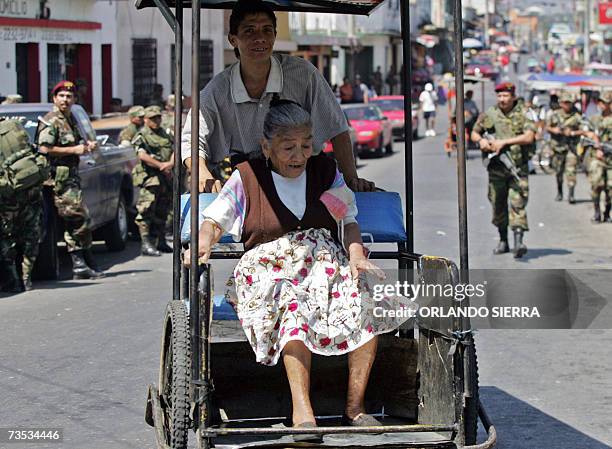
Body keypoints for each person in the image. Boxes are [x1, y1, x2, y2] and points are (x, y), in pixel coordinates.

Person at [184, 99, 412, 441]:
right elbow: (215, 221)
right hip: (267, 267)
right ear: (266, 146)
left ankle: (355, 408)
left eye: (306, 145)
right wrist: (202, 243)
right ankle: (302, 413)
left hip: (322, 262)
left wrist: (356, 255)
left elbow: (347, 220)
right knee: (292, 306)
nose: (299, 155)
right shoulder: (247, 177)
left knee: (368, 301)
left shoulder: (324, 171)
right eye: (288, 147)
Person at [180, 0, 374, 193]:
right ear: (233, 39)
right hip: (250, 182)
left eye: (267, 30)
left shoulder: (304, 74)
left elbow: (337, 129)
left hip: (306, 177)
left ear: (274, 35)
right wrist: (202, 174)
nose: (260, 38)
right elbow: (191, 138)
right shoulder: (218, 89)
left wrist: (351, 179)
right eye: (249, 30)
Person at [37, 81, 104, 279]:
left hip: (71, 177)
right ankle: (79, 264)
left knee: (80, 218)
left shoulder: (70, 119)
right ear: (54, 98)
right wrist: (74, 150)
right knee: (77, 219)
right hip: (59, 179)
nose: (65, 100)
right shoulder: (51, 120)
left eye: (69, 96)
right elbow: (45, 148)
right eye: (62, 96)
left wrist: (86, 145)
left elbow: (73, 142)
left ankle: (85, 261)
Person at [471, 82, 536, 259]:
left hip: (517, 168)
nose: (502, 99)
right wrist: (481, 141)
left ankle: (518, 243)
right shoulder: (490, 114)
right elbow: (474, 132)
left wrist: (504, 142)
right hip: (496, 170)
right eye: (499, 96)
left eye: (505, 96)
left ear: (513, 96)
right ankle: (503, 241)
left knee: (517, 204)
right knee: (498, 205)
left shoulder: (524, 113)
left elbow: (529, 137)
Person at [0, 118, 48, 292]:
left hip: (7, 196)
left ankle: (12, 279)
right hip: (30, 190)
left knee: (6, 237)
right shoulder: (14, 125)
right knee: (30, 235)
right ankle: (26, 277)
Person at [132, 106, 175, 256]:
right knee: (146, 210)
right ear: (145, 120)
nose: (156, 121)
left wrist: (170, 164)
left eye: (158, 117)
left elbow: (176, 149)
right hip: (151, 178)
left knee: (163, 210)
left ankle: (161, 241)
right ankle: (146, 244)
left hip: (166, 177)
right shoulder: (142, 135)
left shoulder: (165, 133)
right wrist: (161, 165)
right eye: (153, 118)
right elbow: (142, 155)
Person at [546, 92, 588, 204]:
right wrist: (554, 130)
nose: (567, 105)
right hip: (558, 147)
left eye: (569, 103)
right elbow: (547, 127)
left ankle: (571, 194)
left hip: (571, 147)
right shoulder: (554, 114)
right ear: (561, 103)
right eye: (565, 103)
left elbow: (584, 129)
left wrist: (573, 132)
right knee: (558, 171)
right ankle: (559, 191)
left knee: (571, 170)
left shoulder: (576, 116)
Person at [586, 91, 612, 222]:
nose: (603, 105)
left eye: (606, 103)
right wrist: (597, 146)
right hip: (598, 157)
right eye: (601, 102)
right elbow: (587, 132)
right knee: (596, 184)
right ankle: (596, 212)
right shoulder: (594, 119)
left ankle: (607, 212)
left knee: (610, 188)